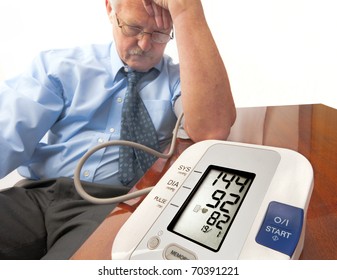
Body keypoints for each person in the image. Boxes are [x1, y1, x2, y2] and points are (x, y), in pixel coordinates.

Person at [0, 0, 236, 259]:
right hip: (38, 194)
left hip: (115, 207)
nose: (144, 44)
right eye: (133, 28)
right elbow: (7, 134)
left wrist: (187, 10)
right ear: (109, 9)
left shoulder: (182, 82)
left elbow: (212, 129)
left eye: (158, 34)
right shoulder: (60, 66)